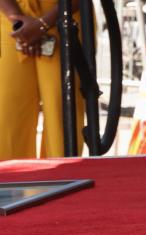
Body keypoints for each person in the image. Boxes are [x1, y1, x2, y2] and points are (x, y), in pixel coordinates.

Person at [0, 0, 79, 159]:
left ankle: (61, 178)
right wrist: (18, 22)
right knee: (7, 117)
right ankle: (8, 181)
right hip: (10, 20)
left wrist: (42, 24)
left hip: (65, 19)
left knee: (61, 120)